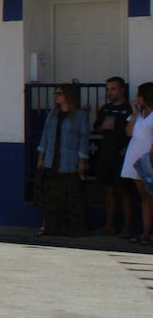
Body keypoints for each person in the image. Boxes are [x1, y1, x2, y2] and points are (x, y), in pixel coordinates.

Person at [34, 83, 90, 237]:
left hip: (69, 161)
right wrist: (41, 157)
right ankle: (49, 227)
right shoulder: (53, 114)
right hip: (52, 160)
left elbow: (83, 138)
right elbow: (45, 136)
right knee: (51, 197)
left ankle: (73, 228)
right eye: (56, 93)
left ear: (68, 95)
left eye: (60, 93)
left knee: (71, 197)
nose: (57, 96)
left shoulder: (79, 116)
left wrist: (82, 159)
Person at [92, 77, 136, 235]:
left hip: (123, 156)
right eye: (107, 89)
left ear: (122, 90)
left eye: (113, 89)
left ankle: (126, 228)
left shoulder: (130, 108)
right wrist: (102, 127)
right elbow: (96, 128)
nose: (110, 92)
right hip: (106, 155)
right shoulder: (105, 108)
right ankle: (109, 226)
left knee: (125, 191)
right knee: (108, 190)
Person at [120, 82, 153, 244]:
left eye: (138, 95)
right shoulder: (139, 114)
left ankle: (148, 232)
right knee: (144, 196)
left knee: (150, 195)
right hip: (134, 157)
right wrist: (133, 115)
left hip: (147, 160)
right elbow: (128, 133)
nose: (136, 98)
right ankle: (145, 231)